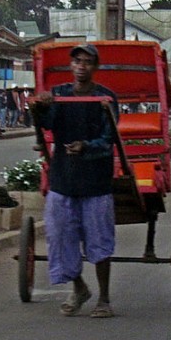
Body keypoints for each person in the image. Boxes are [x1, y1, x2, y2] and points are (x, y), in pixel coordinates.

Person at [32, 44, 119, 318]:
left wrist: (86, 146)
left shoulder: (106, 98)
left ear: (95, 67)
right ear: (72, 66)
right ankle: (79, 287)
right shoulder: (58, 95)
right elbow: (45, 124)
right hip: (63, 177)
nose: (81, 66)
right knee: (60, 236)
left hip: (96, 180)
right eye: (77, 61)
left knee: (99, 239)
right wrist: (40, 107)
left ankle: (104, 298)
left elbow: (109, 139)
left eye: (87, 62)